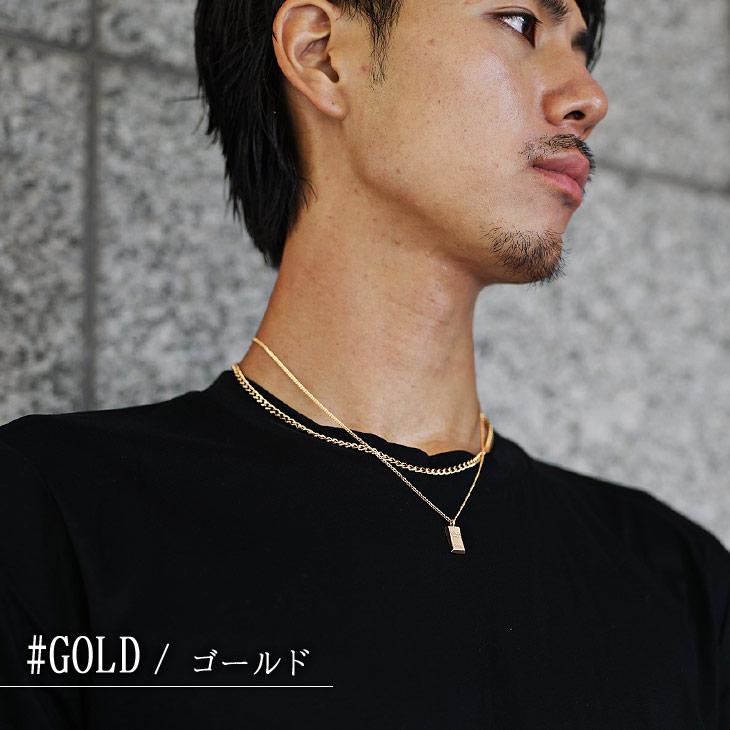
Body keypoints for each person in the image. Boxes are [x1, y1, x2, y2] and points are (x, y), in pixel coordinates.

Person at [1, 0, 728, 727]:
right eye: (520, 23)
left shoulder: (678, 580)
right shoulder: (50, 519)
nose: (589, 98)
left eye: (581, 47)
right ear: (321, 54)